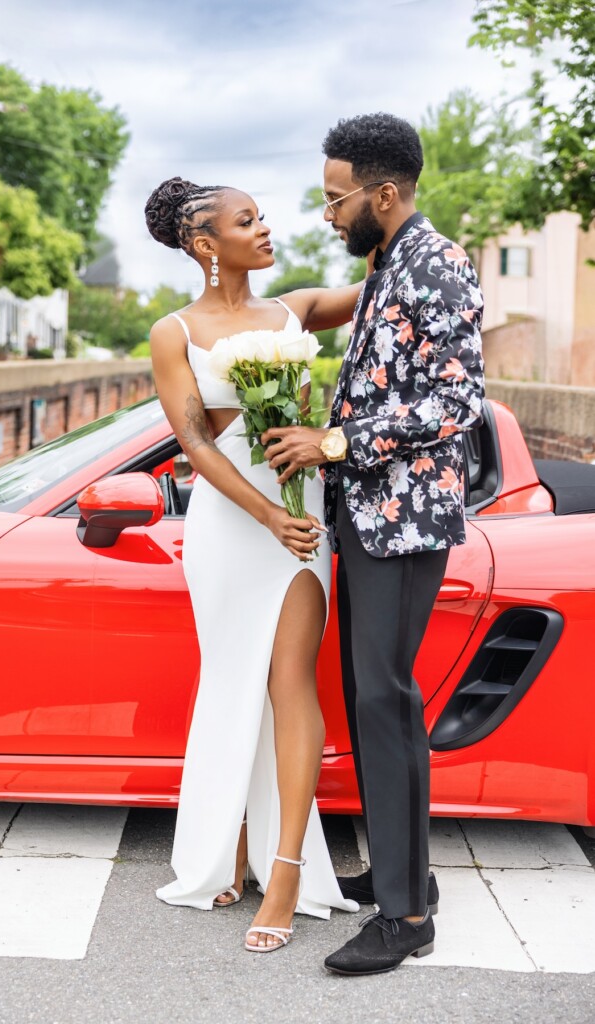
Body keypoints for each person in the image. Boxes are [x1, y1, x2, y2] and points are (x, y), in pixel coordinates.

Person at [261, 112, 485, 975]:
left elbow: (455, 404)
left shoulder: (440, 263)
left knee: (386, 702)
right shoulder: (384, 260)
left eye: (333, 197)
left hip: (404, 522)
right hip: (368, 516)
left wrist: (339, 444)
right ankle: (403, 873)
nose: (325, 213)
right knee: (369, 699)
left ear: (381, 194)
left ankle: (405, 919)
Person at [145, 176, 359, 953]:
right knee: (231, 678)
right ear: (205, 244)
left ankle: (288, 867)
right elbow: (196, 443)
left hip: (299, 519)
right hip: (232, 525)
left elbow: (378, 275)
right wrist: (263, 512)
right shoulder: (172, 332)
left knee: (288, 682)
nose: (265, 229)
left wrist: (376, 204)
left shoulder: (292, 310)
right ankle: (226, 846)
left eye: (263, 216)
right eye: (247, 220)